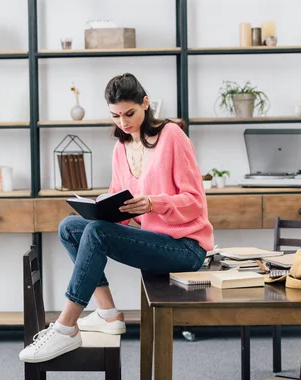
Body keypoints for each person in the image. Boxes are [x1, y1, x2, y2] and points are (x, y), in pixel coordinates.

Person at [19, 73, 214, 363]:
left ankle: (65, 326)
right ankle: (109, 314)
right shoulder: (120, 149)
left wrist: (152, 203)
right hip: (156, 241)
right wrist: (101, 209)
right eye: (115, 116)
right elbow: (119, 204)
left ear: (146, 103)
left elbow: (195, 203)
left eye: (129, 113)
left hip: (185, 247)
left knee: (96, 233)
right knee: (70, 227)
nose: (123, 122)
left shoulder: (172, 136)